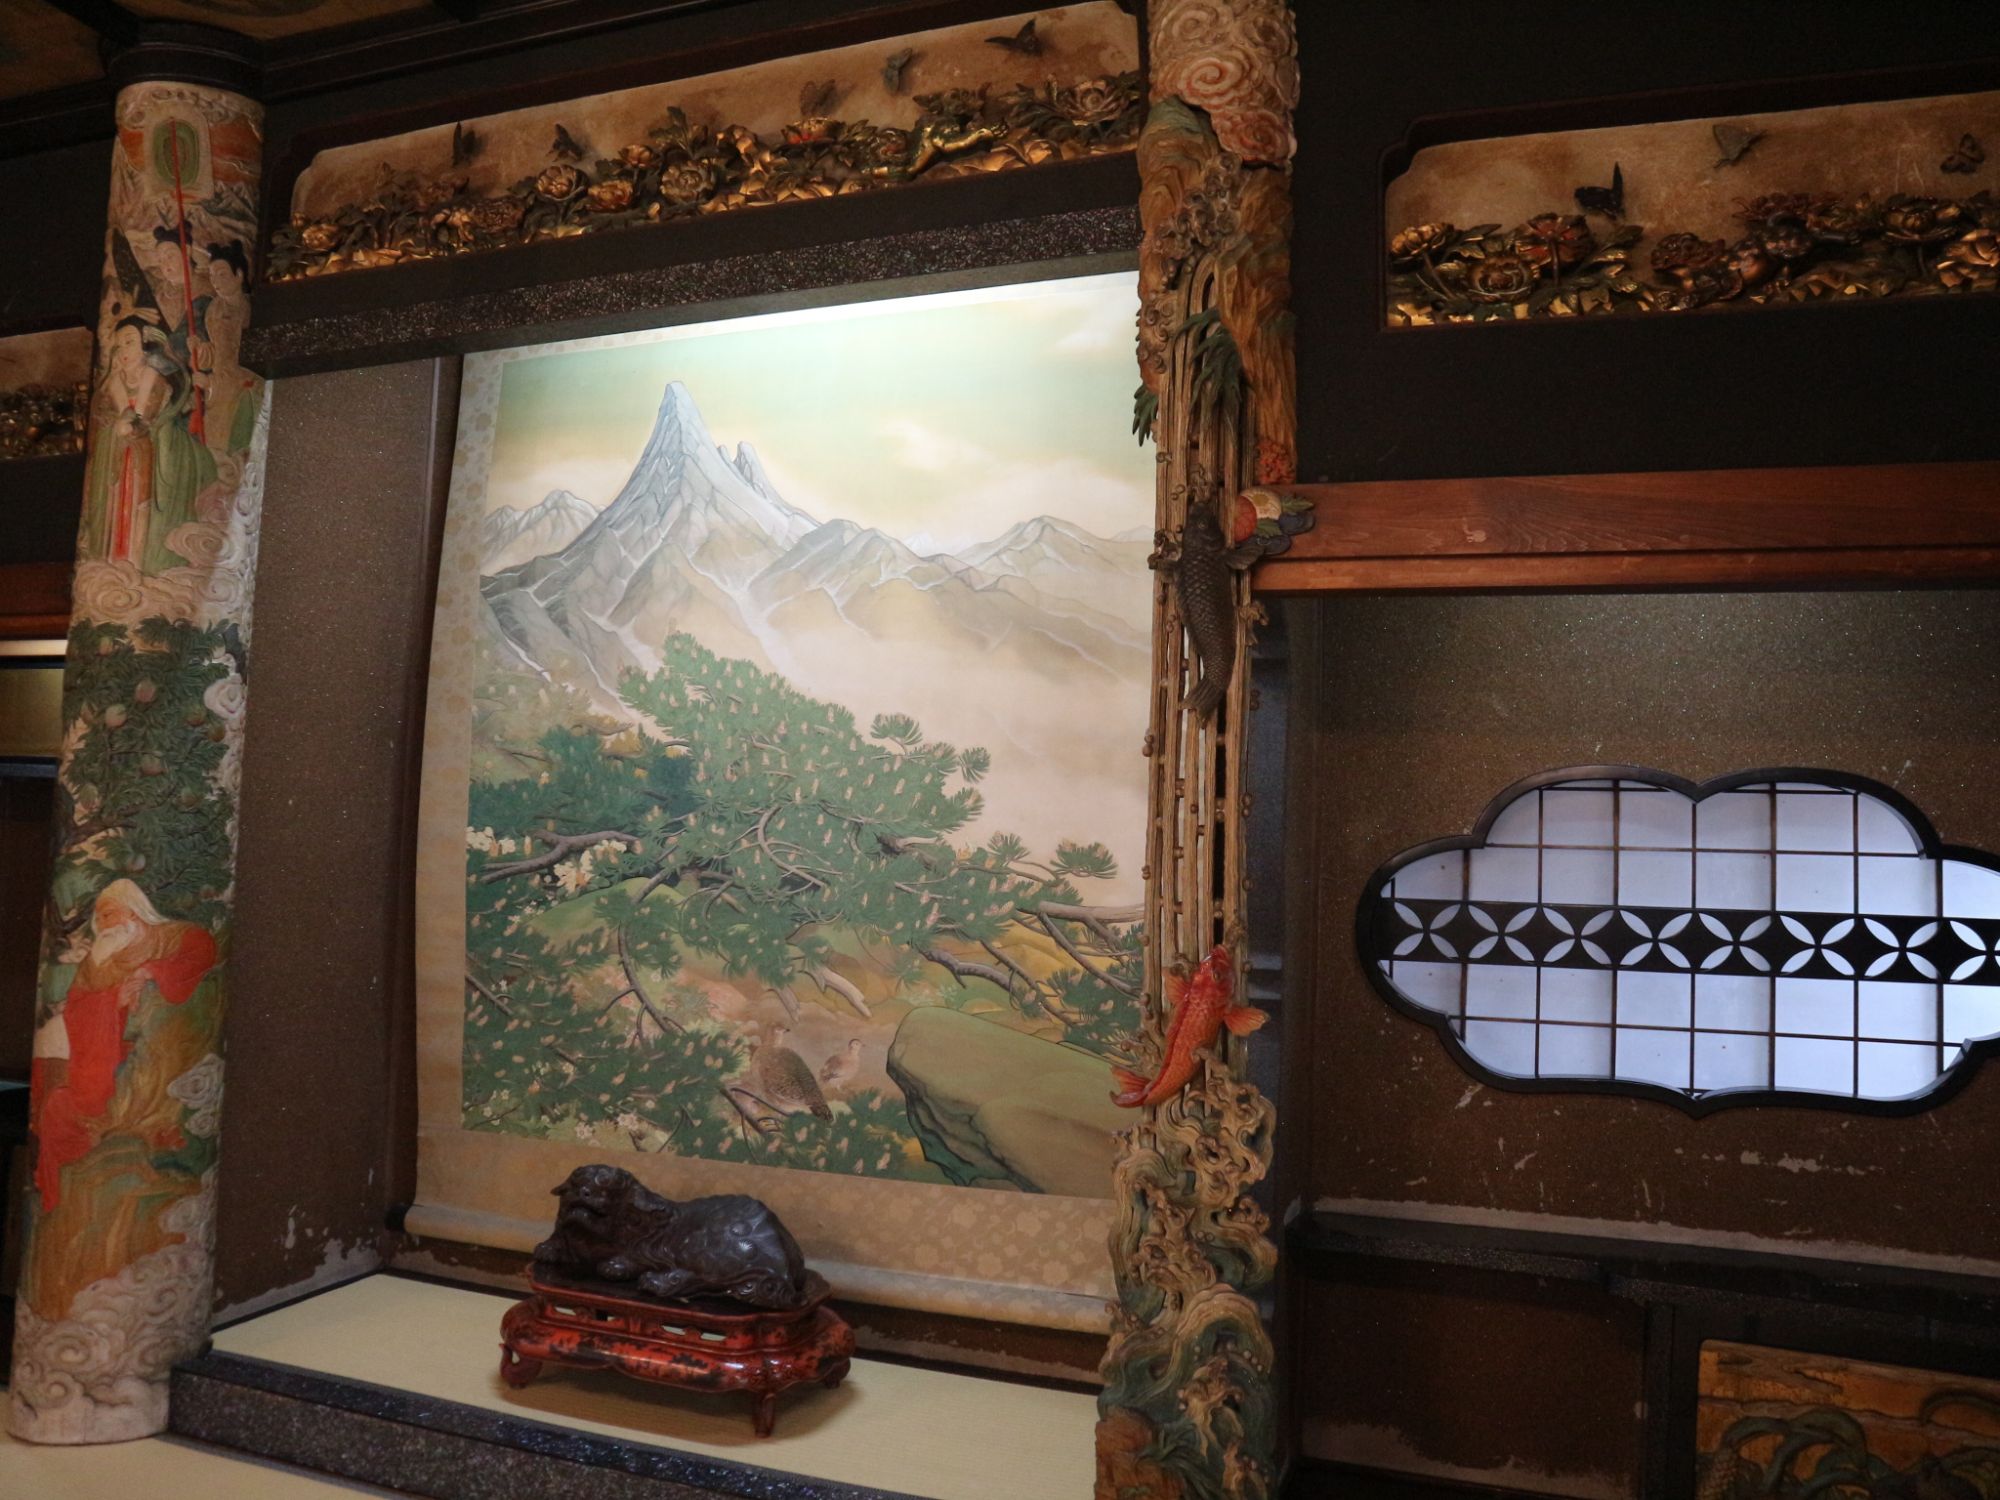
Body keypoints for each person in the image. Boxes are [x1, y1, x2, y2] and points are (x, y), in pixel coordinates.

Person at [32, 880, 218, 1212]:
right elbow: (77, 1005)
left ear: (133, 910)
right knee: (55, 1108)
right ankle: (55, 1195)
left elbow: (204, 950)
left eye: (109, 914)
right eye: (99, 917)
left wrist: (152, 971)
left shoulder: (168, 937)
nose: (103, 924)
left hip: (151, 1053)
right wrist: (114, 1000)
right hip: (103, 1054)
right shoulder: (97, 961)